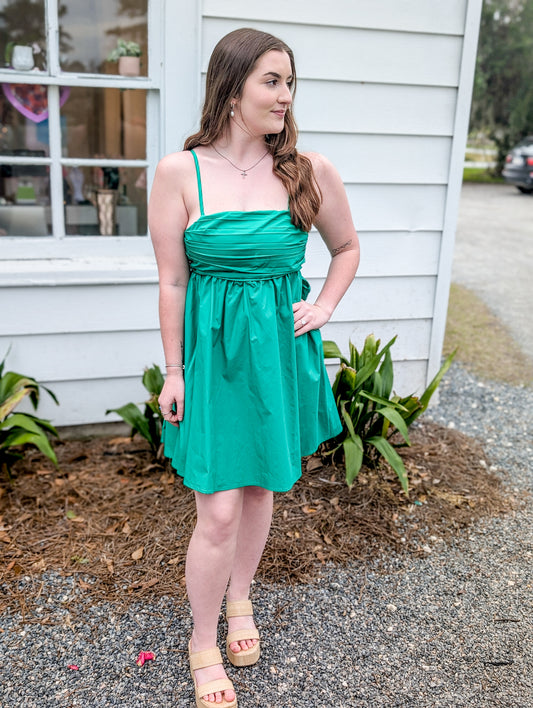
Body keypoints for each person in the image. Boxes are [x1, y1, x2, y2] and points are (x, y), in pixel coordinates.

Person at [148, 27, 359, 708]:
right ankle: (201, 640)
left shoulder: (307, 169)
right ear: (231, 89)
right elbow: (172, 283)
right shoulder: (179, 172)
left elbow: (347, 247)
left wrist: (323, 305)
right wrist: (174, 371)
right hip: (211, 361)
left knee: (262, 487)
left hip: (274, 355)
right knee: (215, 510)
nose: (284, 95)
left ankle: (241, 599)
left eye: (289, 82)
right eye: (271, 80)